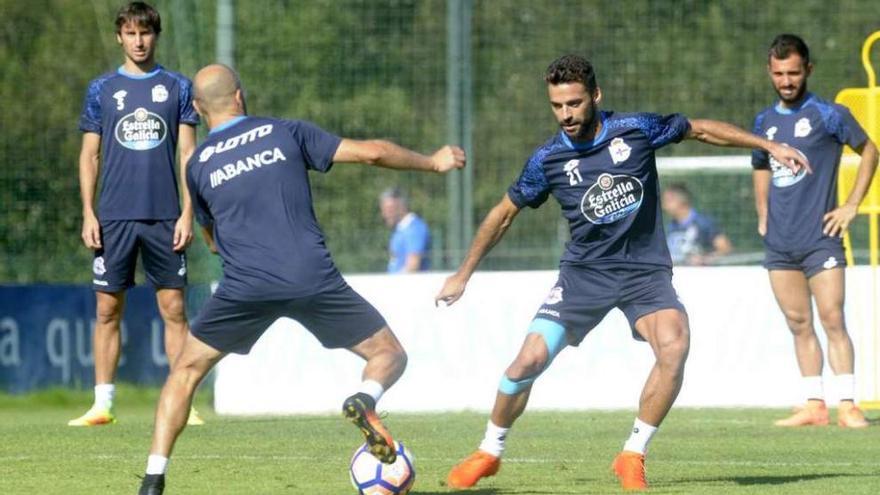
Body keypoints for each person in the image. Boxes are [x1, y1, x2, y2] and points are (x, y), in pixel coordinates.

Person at [435, 54, 808, 491]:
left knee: (674, 345)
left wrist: (768, 146)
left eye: (574, 103)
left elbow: (701, 129)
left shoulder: (635, 130)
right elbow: (502, 215)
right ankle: (489, 450)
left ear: (595, 96)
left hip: (644, 275)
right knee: (526, 362)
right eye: (557, 106)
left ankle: (632, 453)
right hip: (583, 277)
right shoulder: (549, 160)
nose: (566, 115)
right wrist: (463, 273)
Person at [137, 64, 465, 495]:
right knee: (389, 354)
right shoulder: (284, 132)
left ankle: (153, 479)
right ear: (240, 96)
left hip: (245, 286)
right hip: (310, 276)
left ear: (197, 109)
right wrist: (433, 162)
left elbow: (210, 238)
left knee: (184, 372)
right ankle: (365, 399)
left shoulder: (197, 165)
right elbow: (371, 152)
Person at [72, 1, 203, 427]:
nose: (139, 41)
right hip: (113, 218)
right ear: (119, 37)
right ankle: (103, 404)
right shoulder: (102, 89)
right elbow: (90, 156)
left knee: (174, 310)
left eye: (145, 33)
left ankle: (185, 401)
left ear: (155, 36)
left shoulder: (177, 86)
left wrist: (188, 212)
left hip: (166, 216)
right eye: (130, 33)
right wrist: (89, 213)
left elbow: (188, 154)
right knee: (108, 310)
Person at [751, 34, 878, 428]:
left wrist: (851, 205)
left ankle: (848, 403)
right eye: (779, 74)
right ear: (770, 73)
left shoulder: (829, 114)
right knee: (798, 322)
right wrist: (762, 214)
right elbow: (759, 165)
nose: (786, 81)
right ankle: (814, 403)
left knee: (832, 318)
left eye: (793, 73)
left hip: (821, 238)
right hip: (780, 243)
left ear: (808, 70)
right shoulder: (764, 122)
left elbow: (871, 150)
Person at [661, 183, 733, 265]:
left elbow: (725, 249)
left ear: (681, 201)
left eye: (668, 201)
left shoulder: (703, 223)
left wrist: (705, 259)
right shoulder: (669, 226)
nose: (664, 206)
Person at [379, 187, 431, 273]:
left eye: (389, 210)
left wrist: (394, 284)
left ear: (401, 207)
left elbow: (413, 266)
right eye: (383, 210)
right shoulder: (401, 229)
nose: (385, 214)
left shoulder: (414, 229)